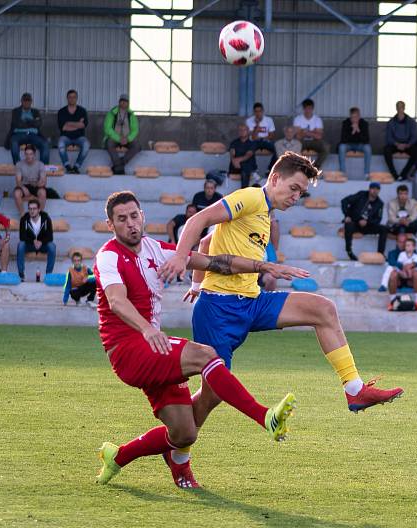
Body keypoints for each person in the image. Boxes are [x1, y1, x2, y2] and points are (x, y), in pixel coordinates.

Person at [157, 153, 403, 474]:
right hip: (218, 309)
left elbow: (207, 241)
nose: (296, 197)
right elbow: (197, 222)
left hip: (252, 302)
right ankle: (177, 451)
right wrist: (182, 261)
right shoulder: (249, 198)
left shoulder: (267, 216)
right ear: (275, 179)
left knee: (322, 309)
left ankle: (354, 390)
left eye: (301, 192)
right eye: (293, 188)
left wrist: (195, 281)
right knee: (213, 394)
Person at [93, 190, 309, 489]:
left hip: (152, 346)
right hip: (129, 349)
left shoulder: (157, 250)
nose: (130, 223)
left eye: (133, 216)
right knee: (207, 355)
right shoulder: (108, 256)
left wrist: (264, 266)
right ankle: (265, 417)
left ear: (142, 216)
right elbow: (116, 301)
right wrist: (147, 329)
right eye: (121, 219)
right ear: (110, 225)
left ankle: (118, 457)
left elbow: (216, 263)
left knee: (185, 433)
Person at [340, 181, 388, 261]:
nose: (375, 191)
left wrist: (367, 222)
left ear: (379, 191)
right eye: (373, 188)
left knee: (384, 229)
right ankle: (349, 251)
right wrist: (347, 215)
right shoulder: (361, 195)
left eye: (377, 189)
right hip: (355, 222)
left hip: (368, 226)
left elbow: (378, 219)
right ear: (369, 189)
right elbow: (344, 201)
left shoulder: (380, 203)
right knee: (348, 224)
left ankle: (380, 253)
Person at [16, 198, 56, 282]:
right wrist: (33, 241)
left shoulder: (46, 219)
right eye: (30, 209)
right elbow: (22, 236)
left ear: (39, 209)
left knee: (52, 246)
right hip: (30, 245)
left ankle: (48, 275)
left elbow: (50, 236)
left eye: (34, 209)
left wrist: (41, 242)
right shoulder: (24, 219)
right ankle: (21, 274)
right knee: (21, 245)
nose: (32, 211)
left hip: (42, 245)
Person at [7, 92, 49, 165]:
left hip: (34, 135)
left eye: (28, 100)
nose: (26, 102)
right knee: (13, 142)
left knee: (45, 143)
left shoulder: (35, 111)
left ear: (31, 102)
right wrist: (32, 122)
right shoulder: (16, 111)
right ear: (21, 101)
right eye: (25, 100)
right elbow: (17, 124)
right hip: (19, 135)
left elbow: (38, 124)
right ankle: (18, 166)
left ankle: (43, 167)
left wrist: (26, 121)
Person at [103, 94, 140, 175]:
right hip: (115, 138)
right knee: (109, 143)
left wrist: (128, 138)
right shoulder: (112, 113)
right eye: (122, 101)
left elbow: (135, 129)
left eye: (125, 101)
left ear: (128, 103)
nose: (123, 103)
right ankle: (119, 167)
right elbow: (107, 128)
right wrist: (119, 138)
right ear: (119, 102)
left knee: (137, 145)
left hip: (127, 139)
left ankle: (118, 165)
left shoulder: (131, 114)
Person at [388, 237, 417, 311]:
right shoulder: (394, 253)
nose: (403, 245)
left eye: (404, 243)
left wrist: (410, 269)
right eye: (400, 242)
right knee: (393, 274)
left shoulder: (414, 253)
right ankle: (392, 301)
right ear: (397, 243)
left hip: (410, 278)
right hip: (399, 277)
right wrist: (402, 271)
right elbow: (394, 264)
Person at [57, 89, 90, 174]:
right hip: (66, 137)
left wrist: (69, 123)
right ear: (67, 98)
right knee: (60, 143)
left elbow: (83, 125)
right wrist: (77, 124)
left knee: (86, 144)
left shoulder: (82, 110)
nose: (72, 99)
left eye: (74, 97)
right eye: (70, 97)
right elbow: (63, 128)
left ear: (77, 98)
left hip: (79, 137)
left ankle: (76, 167)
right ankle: (67, 166)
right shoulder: (62, 111)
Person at [384, 100, 417, 181]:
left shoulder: (411, 122)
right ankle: (394, 175)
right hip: (395, 145)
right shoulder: (391, 122)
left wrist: (408, 144)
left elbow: (414, 136)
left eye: (401, 107)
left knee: (416, 152)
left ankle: (404, 174)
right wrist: (397, 144)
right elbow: (388, 137)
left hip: (407, 145)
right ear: (396, 108)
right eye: (398, 107)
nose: (400, 109)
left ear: (404, 108)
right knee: (386, 150)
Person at [13, 145, 47, 215]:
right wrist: (23, 187)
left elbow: (43, 181)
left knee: (43, 193)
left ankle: (40, 214)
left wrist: (37, 184)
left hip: (36, 185)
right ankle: (22, 215)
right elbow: (18, 181)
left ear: (34, 155)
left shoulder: (40, 164)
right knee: (16, 193)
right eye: (27, 154)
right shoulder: (19, 164)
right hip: (24, 185)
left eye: (31, 154)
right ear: (24, 154)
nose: (28, 156)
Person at [292, 98, 328, 167]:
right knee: (294, 145)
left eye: (310, 108)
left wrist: (305, 131)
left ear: (312, 109)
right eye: (306, 108)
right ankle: (299, 167)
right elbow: (297, 136)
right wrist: (314, 131)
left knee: (326, 147)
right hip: (302, 141)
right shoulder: (298, 119)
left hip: (314, 142)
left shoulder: (317, 119)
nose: (308, 110)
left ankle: (316, 167)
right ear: (303, 109)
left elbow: (319, 136)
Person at [338, 107, 371, 179]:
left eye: (356, 117)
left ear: (359, 116)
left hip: (360, 145)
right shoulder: (346, 123)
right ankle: (343, 172)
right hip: (349, 145)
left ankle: (367, 173)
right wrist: (353, 131)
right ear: (350, 117)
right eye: (352, 117)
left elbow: (366, 140)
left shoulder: (364, 123)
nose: (354, 119)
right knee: (341, 147)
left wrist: (358, 130)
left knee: (368, 148)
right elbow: (343, 139)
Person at [245, 102, 277, 171]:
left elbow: (272, 136)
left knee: (277, 149)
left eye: (260, 111)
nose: (258, 113)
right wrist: (257, 125)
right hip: (254, 142)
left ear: (263, 111)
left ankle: (270, 169)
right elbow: (253, 137)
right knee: (249, 150)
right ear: (254, 112)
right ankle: (254, 170)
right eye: (256, 111)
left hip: (266, 141)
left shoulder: (269, 120)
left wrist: (262, 138)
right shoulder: (249, 121)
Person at [229, 124, 258, 188]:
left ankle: (243, 189)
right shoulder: (234, 142)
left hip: (247, 166)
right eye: (240, 130)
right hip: (236, 167)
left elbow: (248, 155)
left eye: (244, 130)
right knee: (245, 167)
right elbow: (232, 154)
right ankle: (244, 190)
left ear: (248, 131)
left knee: (245, 167)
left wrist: (238, 161)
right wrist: (234, 161)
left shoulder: (252, 143)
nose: (242, 131)